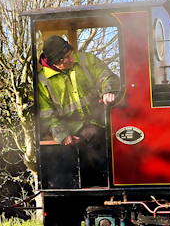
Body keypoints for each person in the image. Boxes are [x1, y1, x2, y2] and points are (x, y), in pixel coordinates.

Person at [36, 35, 120, 172]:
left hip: (99, 114)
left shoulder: (85, 60)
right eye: (66, 58)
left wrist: (108, 91)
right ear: (55, 63)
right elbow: (46, 117)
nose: (72, 59)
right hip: (72, 124)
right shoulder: (43, 81)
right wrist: (62, 134)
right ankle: (106, 175)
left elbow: (107, 76)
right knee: (94, 133)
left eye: (70, 54)